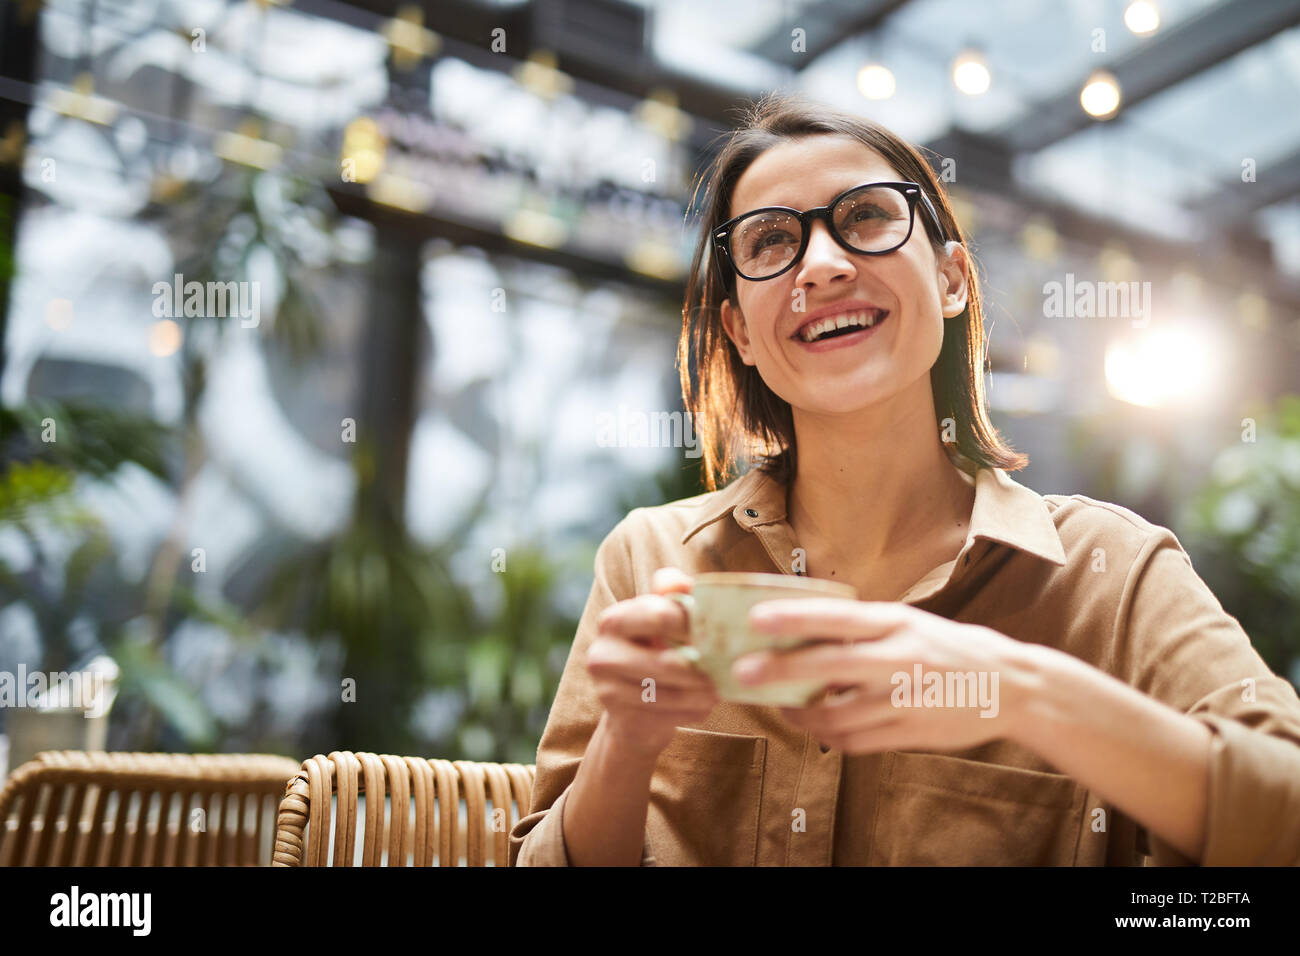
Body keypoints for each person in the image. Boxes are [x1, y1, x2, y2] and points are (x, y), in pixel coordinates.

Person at [509, 91, 1300, 866]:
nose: (819, 266)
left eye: (865, 218)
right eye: (770, 242)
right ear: (740, 331)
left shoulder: (1111, 576)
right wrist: (626, 740)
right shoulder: (653, 563)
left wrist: (1017, 690)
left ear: (953, 279)